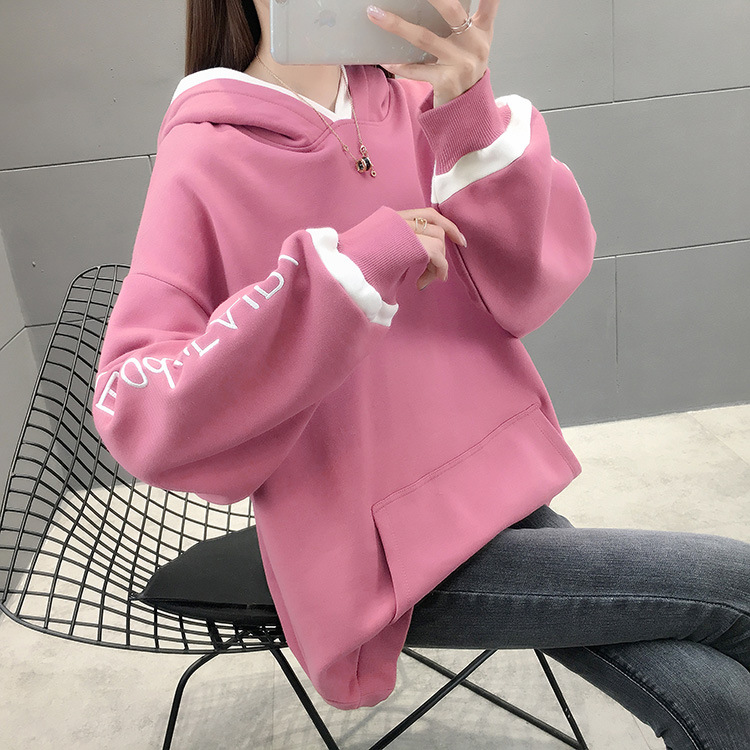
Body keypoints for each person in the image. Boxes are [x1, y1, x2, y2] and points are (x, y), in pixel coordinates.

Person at [92, 1, 750, 747]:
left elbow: (527, 285)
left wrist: (470, 118)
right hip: (378, 556)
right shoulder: (206, 155)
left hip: (495, 484)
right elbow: (135, 404)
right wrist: (343, 275)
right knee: (736, 591)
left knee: (719, 696)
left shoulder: (416, 104)